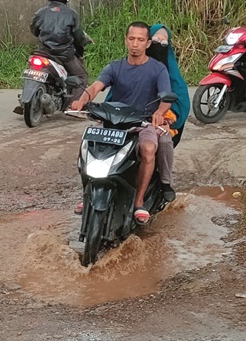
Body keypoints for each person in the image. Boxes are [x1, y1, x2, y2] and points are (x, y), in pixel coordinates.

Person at [70, 21, 173, 225]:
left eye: (140, 40)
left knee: (149, 148)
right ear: (126, 40)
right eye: (132, 39)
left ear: (148, 43)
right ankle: (88, 194)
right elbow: (96, 86)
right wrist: (81, 101)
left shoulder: (158, 69)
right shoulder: (115, 67)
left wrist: (160, 113)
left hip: (142, 123)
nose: (135, 44)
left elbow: (166, 98)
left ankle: (139, 201)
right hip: (114, 123)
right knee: (86, 147)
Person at [144, 24, 190, 202]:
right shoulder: (133, 66)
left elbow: (181, 103)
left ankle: (165, 183)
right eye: (155, 41)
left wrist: (169, 118)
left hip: (162, 124)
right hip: (135, 119)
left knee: (163, 139)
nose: (158, 46)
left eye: (163, 43)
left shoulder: (172, 75)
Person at [29, 0, 92, 104]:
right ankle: (74, 106)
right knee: (82, 76)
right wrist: (85, 42)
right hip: (64, 55)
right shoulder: (71, 14)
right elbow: (78, 37)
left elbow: (34, 30)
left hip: (43, 53)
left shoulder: (40, 13)